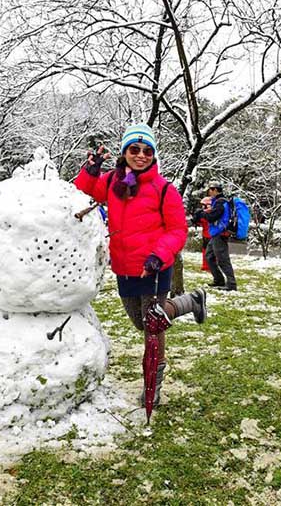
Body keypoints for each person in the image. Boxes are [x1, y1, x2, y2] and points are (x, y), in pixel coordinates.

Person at [73, 123, 207, 406]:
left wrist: (159, 255)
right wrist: (91, 169)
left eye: (147, 150)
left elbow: (177, 230)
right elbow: (81, 193)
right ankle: (192, 300)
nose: (141, 155)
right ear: (124, 152)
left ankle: (152, 387)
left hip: (154, 267)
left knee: (153, 328)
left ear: (154, 155)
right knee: (139, 322)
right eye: (135, 149)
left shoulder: (164, 189)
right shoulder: (111, 182)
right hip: (124, 266)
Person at [200, 183, 237, 291]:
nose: (209, 192)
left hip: (220, 234)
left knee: (223, 260)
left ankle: (231, 284)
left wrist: (202, 214)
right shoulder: (219, 202)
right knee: (209, 256)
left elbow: (213, 217)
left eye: (211, 189)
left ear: (216, 190)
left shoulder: (220, 202)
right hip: (216, 233)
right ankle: (219, 280)